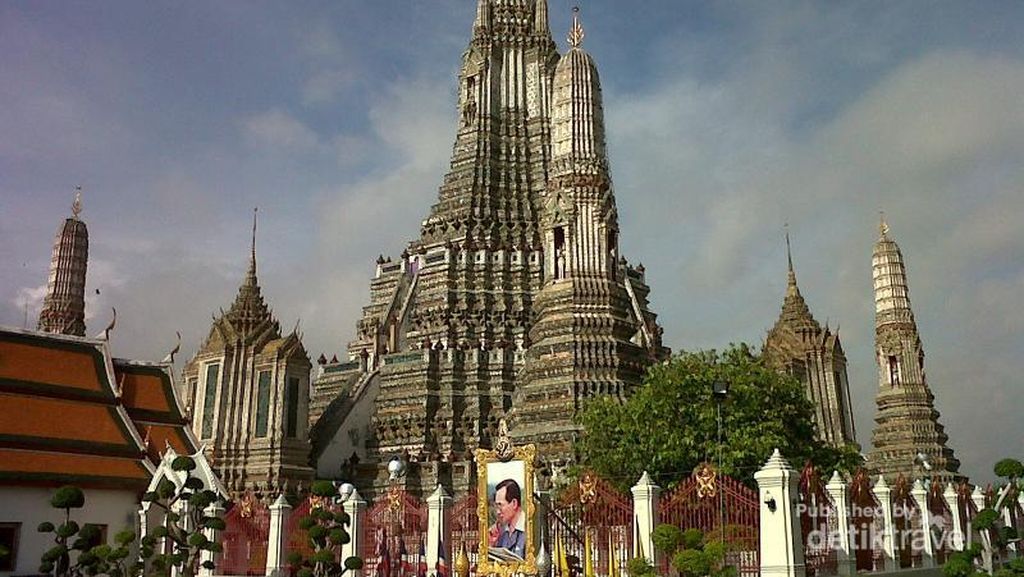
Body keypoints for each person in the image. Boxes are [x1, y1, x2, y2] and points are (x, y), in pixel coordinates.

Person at [488, 478, 525, 559]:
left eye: (500, 505)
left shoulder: (529, 529)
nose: (498, 512)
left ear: (514, 503)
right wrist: (491, 546)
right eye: (496, 506)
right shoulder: (503, 532)